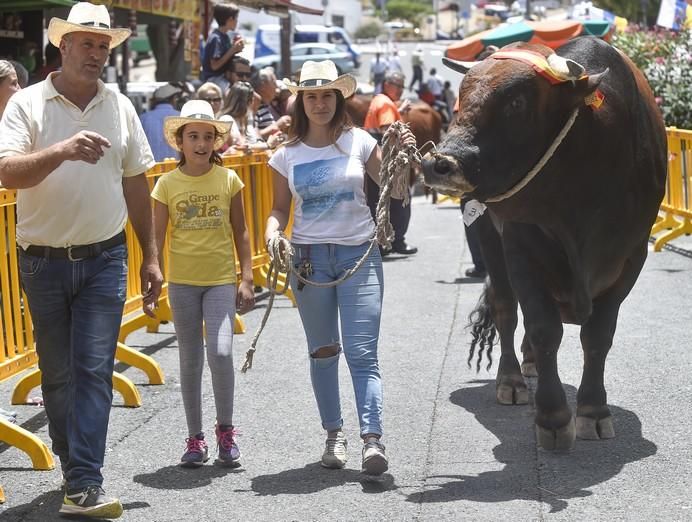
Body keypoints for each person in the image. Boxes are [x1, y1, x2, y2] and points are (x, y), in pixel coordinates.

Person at [0, 3, 162, 518]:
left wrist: (151, 257)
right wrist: (63, 150)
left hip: (105, 258)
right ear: (62, 46)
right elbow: (8, 172)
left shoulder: (120, 106)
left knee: (93, 370)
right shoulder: (26, 104)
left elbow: (138, 182)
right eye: (86, 43)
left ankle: (84, 481)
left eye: (102, 45)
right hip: (41, 261)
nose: (95, 53)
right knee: (58, 374)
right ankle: (78, 469)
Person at [264, 60, 415, 476]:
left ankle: (372, 440)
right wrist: (273, 233)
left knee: (363, 353)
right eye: (311, 96)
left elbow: (395, 191)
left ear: (338, 98)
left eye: (326, 95)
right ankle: (334, 433)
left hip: (359, 255)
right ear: (301, 101)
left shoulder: (362, 142)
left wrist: (400, 160)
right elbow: (278, 209)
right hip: (309, 261)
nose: (319, 103)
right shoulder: (284, 155)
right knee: (324, 352)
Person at [152, 99, 254, 468]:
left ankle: (225, 430)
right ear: (180, 141)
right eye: (193, 136)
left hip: (220, 281)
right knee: (190, 360)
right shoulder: (165, 183)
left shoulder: (229, 179)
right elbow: (157, 236)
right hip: (181, 282)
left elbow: (241, 230)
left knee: (222, 353)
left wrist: (246, 277)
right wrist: (154, 276)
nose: (200, 143)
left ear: (216, 142)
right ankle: (195, 439)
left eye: (207, 136)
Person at [363, 70, 417, 256]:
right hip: (388, 159)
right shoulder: (386, 104)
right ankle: (397, 241)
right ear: (387, 85)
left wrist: (399, 111)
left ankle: (382, 242)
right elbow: (387, 130)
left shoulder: (378, 100)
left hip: (375, 157)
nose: (401, 90)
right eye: (398, 86)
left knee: (377, 200)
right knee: (400, 198)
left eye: (403, 86)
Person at [219, 81, 278, 153]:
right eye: (252, 100)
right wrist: (267, 145)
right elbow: (239, 146)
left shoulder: (248, 119)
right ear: (249, 102)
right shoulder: (226, 119)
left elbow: (255, 142)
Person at [201, 3, 244, 89]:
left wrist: (236, 50)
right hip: (215, 80)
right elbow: (214, 66)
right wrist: (232, 50)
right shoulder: (216, 39)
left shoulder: (225, 37)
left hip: (224, 78)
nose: (237, 22)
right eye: (236, 18)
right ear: (230, 19)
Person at [140, 83, 184, 162]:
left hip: (151, 171)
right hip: (178, 169)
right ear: (173, 99)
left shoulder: (143, 118)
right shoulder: (182, 116)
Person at [251, 67, 291, 141]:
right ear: (263, 85)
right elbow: (253, 136)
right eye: (273, 82)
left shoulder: (267, 106)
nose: (276, 86)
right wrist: (278, 125)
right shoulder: (254, 107)